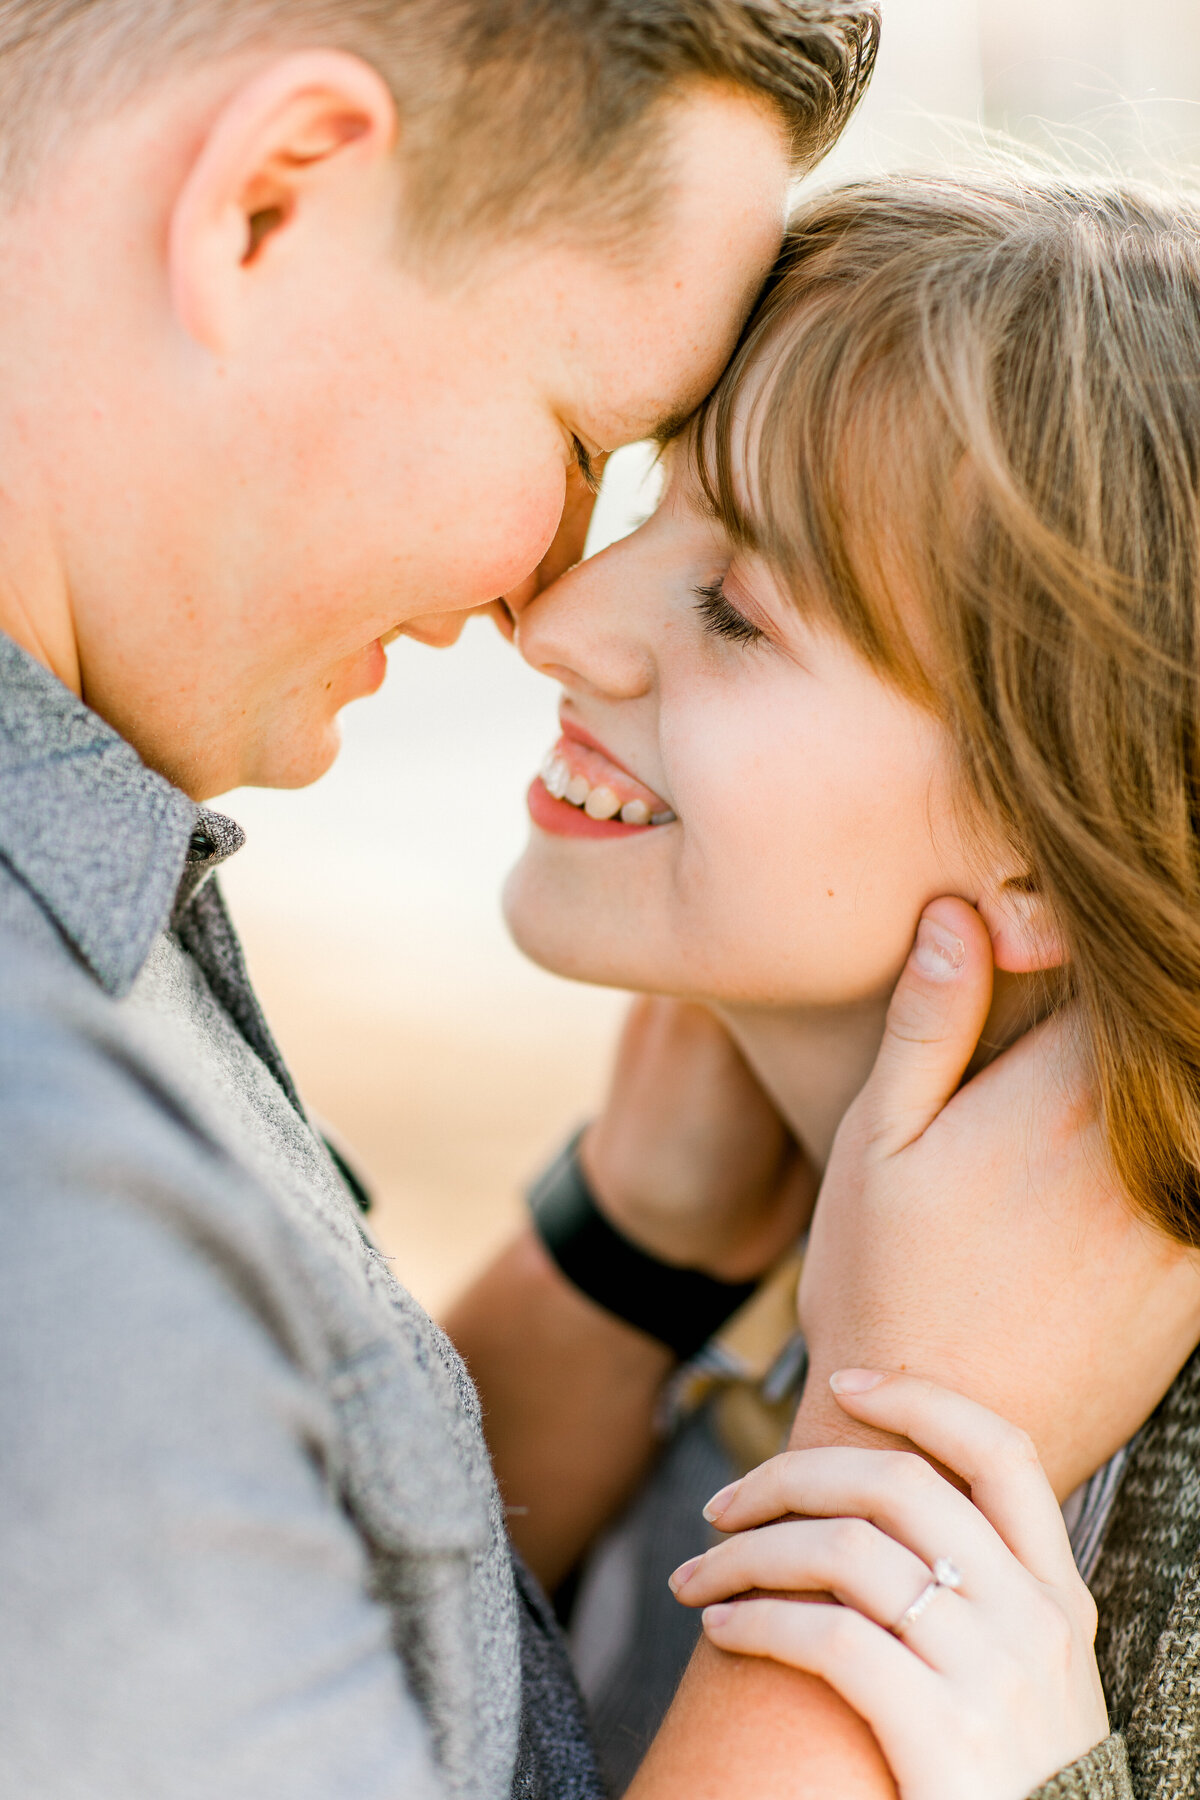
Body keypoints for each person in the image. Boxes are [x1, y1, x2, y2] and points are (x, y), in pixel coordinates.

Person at [495, 168, 1200, 1795]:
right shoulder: (747, 1249)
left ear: (1046, 838)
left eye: (734, 609)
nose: (556, 617)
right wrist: (625, 1255)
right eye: (652, 503)